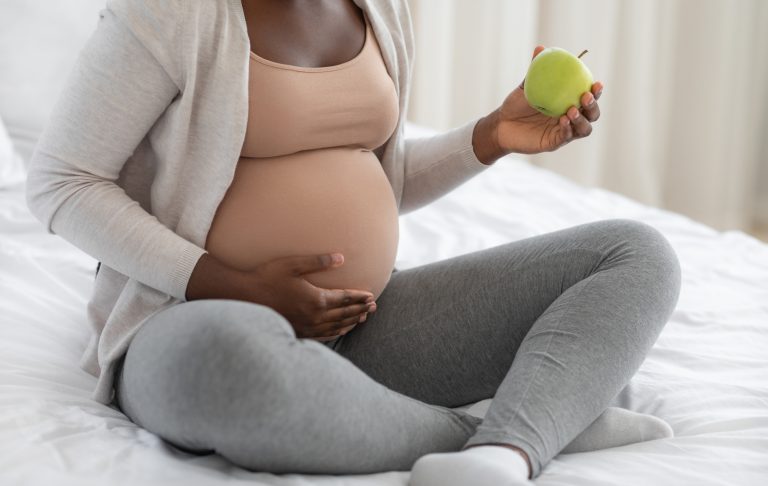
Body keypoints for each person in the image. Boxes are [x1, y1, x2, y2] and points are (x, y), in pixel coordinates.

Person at [25, 1, 681, 485]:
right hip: (190, 319)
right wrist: (232, 284)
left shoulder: (381, 10)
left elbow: (373, 177)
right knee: (222, 366)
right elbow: (62, 182)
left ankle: (506, 449)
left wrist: (490, 137)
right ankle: (523, 432)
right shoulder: (172, 14)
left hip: (364, 322)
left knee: (635, 254)